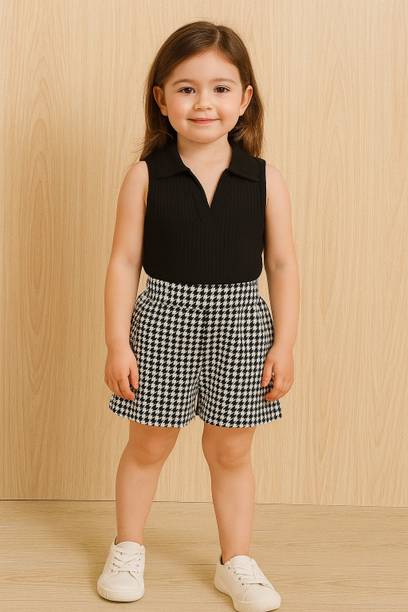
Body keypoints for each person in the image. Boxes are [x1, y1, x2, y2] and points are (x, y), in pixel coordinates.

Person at [97, 20, 299, 612]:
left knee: (231, 451)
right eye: (186, 88)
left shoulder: (264, 179)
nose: (203, 102)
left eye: (220, 88)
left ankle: (235, 561)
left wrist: (284, 343)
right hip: (163, 318)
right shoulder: (145, 176)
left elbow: (282, 265)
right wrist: (117, 343)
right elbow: (123, 262)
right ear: (161, 100)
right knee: (149, 445)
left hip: (242, 324)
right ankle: (128, 547)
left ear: (245, 99)